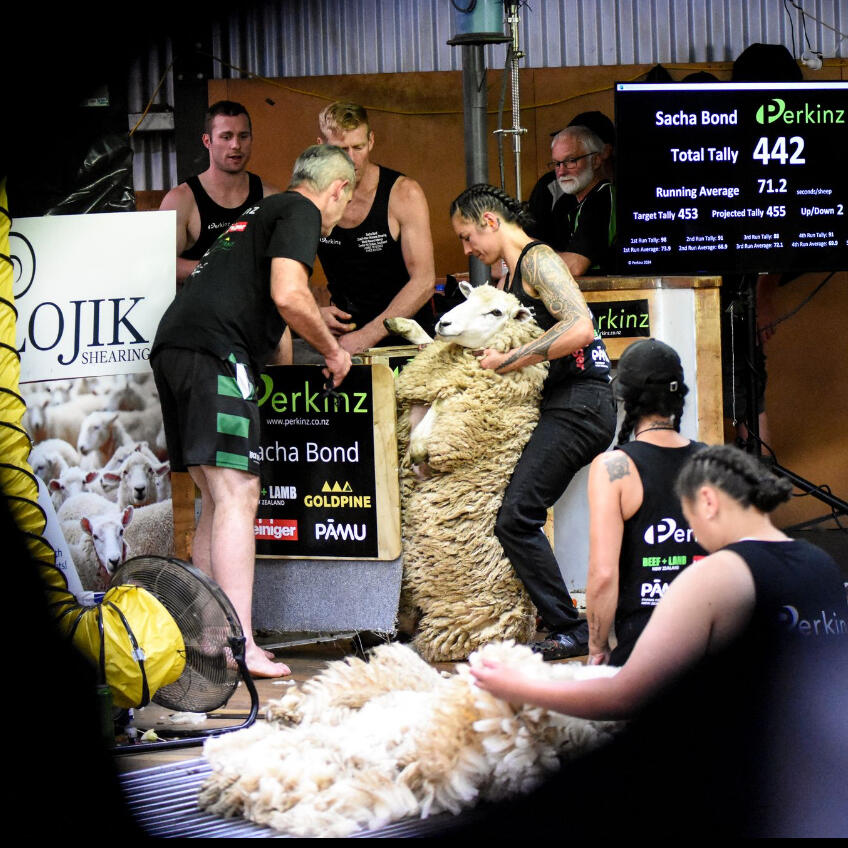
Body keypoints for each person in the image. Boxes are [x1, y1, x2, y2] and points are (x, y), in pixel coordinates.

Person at [150, 144, 355, 677]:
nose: (339, 215)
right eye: (345, 202)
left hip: (176, 349)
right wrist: (334, 352)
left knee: (217, 498)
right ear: (338, 189)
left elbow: (272, 310)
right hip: (214, 352)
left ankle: (212, 638)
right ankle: (241, 644)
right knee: (240, 492)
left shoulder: (258, 213)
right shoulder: (300, 210)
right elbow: (290, 295)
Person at [471, 443, 847, 714]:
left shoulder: (720, 574)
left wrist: (521, 686)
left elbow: (625, 696)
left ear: (709, 502)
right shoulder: (821, 562)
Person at [450, 184, 616, 661]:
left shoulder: (539, 259)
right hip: (561, 402)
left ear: (489, 221)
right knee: (515, 514)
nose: (467, 250)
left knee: (517, 516)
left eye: (466, 236)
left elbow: (580, 326)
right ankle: (548, 616)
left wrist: (510, 359)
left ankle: (570, 627)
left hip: (582, 403)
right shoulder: (509, 277)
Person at [586, 338, 705, 666]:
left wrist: (597, 646)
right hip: (712, 650)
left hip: (645, 655)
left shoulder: (614, 468)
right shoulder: (715, 462)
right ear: (678, 396)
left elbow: (603, 574)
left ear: (625, 397)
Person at [313, 101, 436, 353]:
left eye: (358, 147)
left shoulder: (404, 194)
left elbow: (424, 281)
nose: (351, 159)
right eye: (340, 150)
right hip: (345, 340)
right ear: (321, 147)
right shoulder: (311, 198)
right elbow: (283, 273)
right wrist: (313, 312)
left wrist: (367, 336)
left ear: (371, 141)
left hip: (406, 340)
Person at [159, 100, 280, 286]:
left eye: (243, 136)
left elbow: (286, 263)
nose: (236, 145)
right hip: (203, 304)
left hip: (255, 303)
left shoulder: (270, 197)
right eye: (226, 137)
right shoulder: (181, 200)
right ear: (207, 141)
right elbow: (162, 265)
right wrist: (219, 267)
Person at [527, 110, 615, 250]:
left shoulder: (605, 193)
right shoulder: (551, 185)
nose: (562, 171)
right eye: (557, 163)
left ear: (603, 153)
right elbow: (532, 235)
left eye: (572, 159)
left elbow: (579, 260)